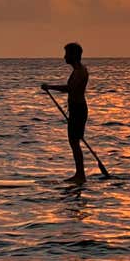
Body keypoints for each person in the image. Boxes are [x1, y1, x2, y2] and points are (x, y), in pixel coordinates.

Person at [41, 42, 89, 183]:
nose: (64, 57)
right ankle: (79, 174)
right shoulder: (76, 70)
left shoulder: (81, 71)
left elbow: (70, 88)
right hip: (75, 109)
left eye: (67, 54)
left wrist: (50, 86)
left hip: (79, 110)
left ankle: (80, 175)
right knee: (74, 142)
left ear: (74, 55)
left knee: (75, 142)